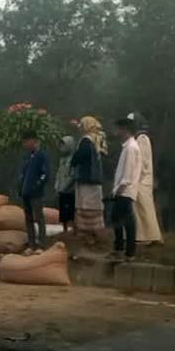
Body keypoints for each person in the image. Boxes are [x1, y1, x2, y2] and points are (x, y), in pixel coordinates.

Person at [126, 112, 163, 245]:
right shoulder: (136, 138)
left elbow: (143, 161)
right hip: (138, 179)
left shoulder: (142, 138)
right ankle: (142, 236)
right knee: (138, 209)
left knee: (145, 208)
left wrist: (136, 176)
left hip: (142, 179)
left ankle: (152, 236)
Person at [71, 116, 108, 246]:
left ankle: (86, 233)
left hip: (86, 178)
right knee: (95, 205)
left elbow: (78, 157)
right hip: (96, 178)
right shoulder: (99, 138)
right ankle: (96, 232)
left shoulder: (86, 140)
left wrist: (73, 160)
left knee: (85, 205)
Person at [109, 118, 142, 262]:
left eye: (118, 129)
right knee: (120, 219)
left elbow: (127, 174)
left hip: (125, 190)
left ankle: (126, 251)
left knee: (124, 220)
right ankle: (122, 249)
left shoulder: (131, 148)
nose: (117, 132)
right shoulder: (128, 147)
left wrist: (119, 190)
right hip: (124, 189)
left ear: (125, 130)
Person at [19, 130, 49, 254]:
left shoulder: (41, 156)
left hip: (36, 194)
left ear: (34, 141)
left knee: (39, 218)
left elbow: (45, 174)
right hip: (25, 193)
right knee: (29, 219)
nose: (24, 144)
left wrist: (37, 186)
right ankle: (31, 245)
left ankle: (41, 245)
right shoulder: (27, 157)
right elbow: (22, 175)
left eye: (26, 141)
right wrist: (20, 188)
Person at [55, 136, 76, 233]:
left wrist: (64, 187)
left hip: (70, 190)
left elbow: (72, 176)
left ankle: (73, 230)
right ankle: (65, 230)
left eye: (64, 145)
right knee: (63, 212)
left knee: (71, 211)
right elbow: (59, 173)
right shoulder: (61, 159)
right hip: (61, 189)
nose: (62, 147)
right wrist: (57, 186)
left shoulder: (74, 159)